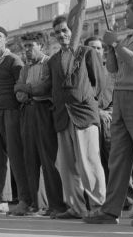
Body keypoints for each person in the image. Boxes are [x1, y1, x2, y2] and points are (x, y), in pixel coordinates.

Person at [85, 0, 133, 226]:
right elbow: (113, 69)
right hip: (121, 97)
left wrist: (116, 44)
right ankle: (111, 209)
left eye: (128, 12)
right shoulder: (129, 37)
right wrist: (110, 47)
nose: (125, 16)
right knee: (118, 157)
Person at [33, 15, 106, 220]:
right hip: (62, 116)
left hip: (84, 115)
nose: (62, 35)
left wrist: (90, 104)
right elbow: (52, 87)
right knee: (66, 165)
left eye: (65, 30)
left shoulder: (87, 52)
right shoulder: (54, 59)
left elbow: (100, 84)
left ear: (75, 31)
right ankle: (76, 207)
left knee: (88, 162)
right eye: (57, 32)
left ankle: (100, 207)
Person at [14, 32, 67, 217]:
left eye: (31, 46)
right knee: (30, 158)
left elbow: (43, 88)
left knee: (48, 159)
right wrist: (27, 91)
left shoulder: (49, 63)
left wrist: (26, 90)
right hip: (28, 111)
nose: (27, 50)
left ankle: (56, 205)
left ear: (42, 46)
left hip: (45, 110)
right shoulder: (25, 68)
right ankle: (36, 204)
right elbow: (17, 92)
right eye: (25, 46)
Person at [0, 26, 30, 215]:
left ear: (6, 39)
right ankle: (2, 200)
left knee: (15, 155)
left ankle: (25, 199)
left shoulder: (14, 60)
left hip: (10, 110)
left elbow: (20, 85)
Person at [84, 36, 115, 180]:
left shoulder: (112, 71)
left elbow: (117, 95)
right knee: (93, 161)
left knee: (114, 159)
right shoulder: (80, 73)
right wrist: (97, 112)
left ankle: (125, 199)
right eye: (92, 48)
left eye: (98, 48)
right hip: (88, 121)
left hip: (109, 121)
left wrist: (109, 111)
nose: (95, 51)